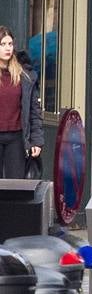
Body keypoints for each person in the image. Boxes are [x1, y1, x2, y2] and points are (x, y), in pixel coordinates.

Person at [0, 27, 44, 180]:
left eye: (10, 44)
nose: (7, 48)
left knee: (15, 186)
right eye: (3, 44)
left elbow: (34, 111)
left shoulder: (24, 75)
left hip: (16, 138)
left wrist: (36, 141)